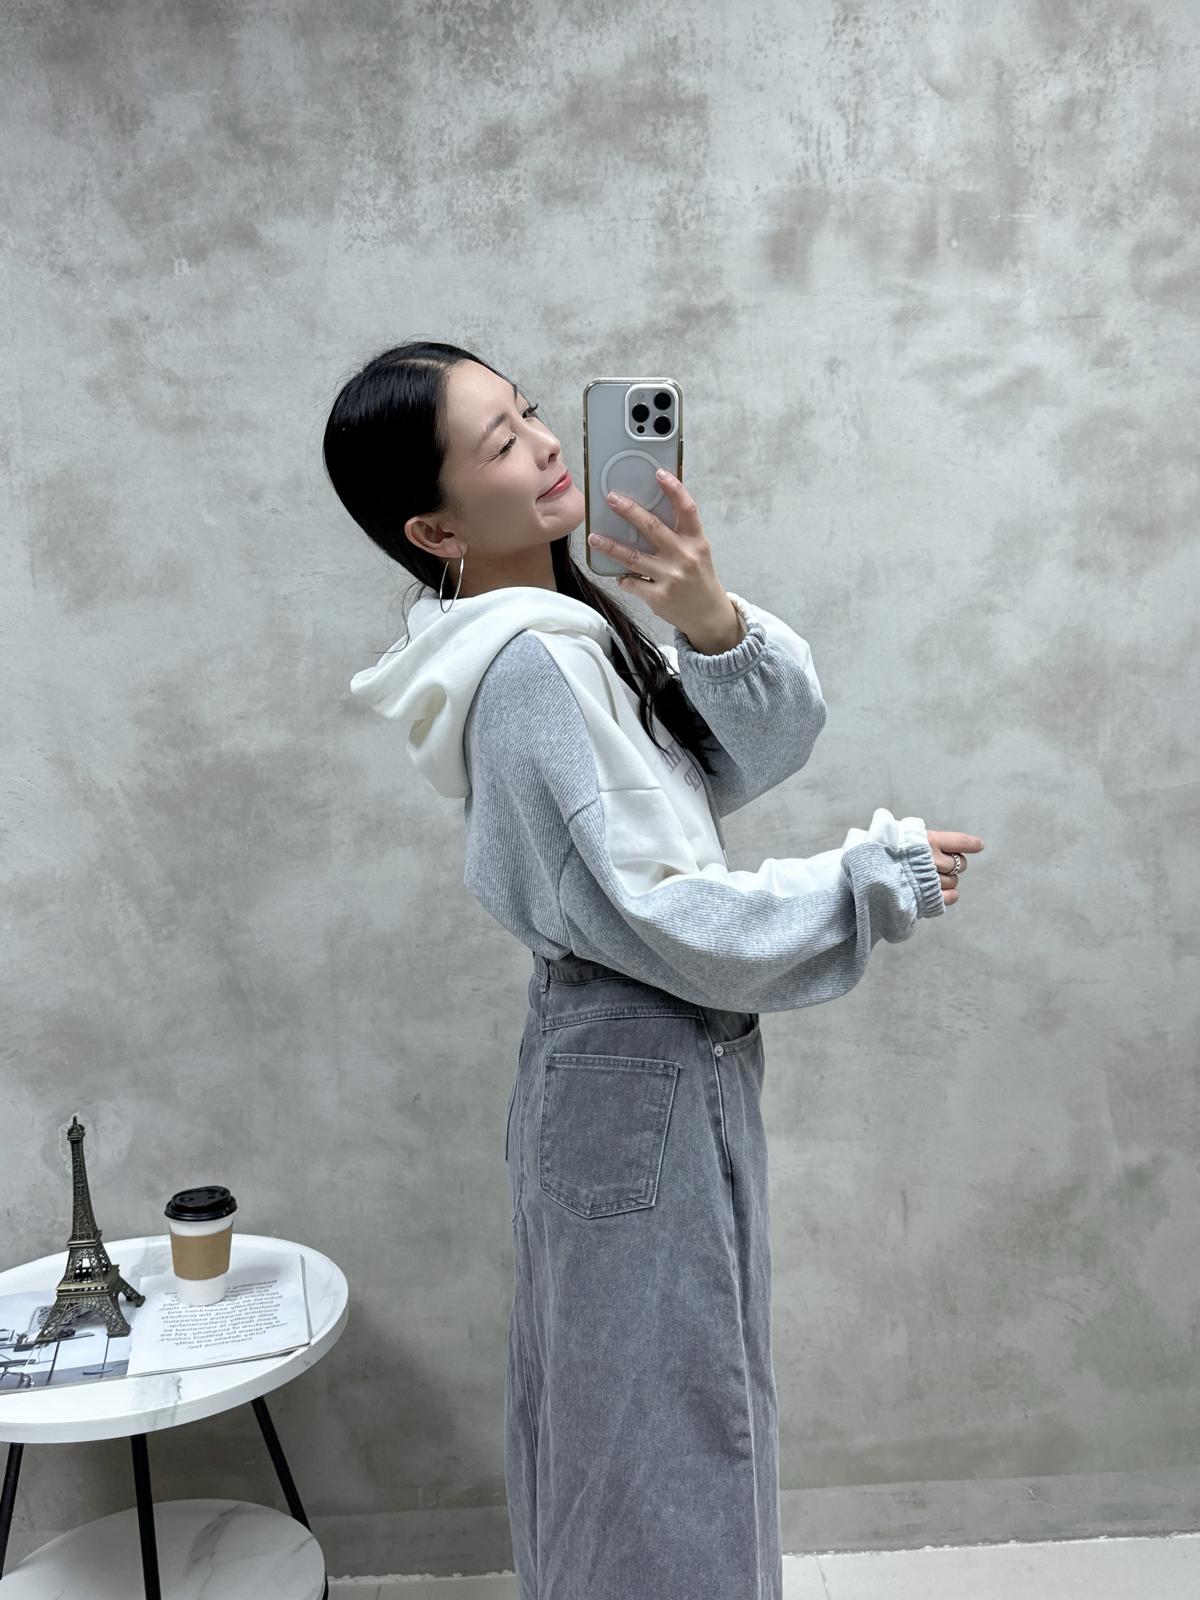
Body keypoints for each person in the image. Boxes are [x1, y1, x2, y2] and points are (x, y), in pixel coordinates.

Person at [324, 339, 984, 1600]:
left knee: (644, 1423)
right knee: (661, 1441)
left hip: (630, 1074)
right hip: (636, 1071)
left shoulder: (554, 634)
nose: (546, 442)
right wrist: (872, 879)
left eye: (529, 411)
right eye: (501, 441)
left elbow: (724, 764)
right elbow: (667, 913)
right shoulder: (530, 667)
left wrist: (711, 621)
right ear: (434, 527)